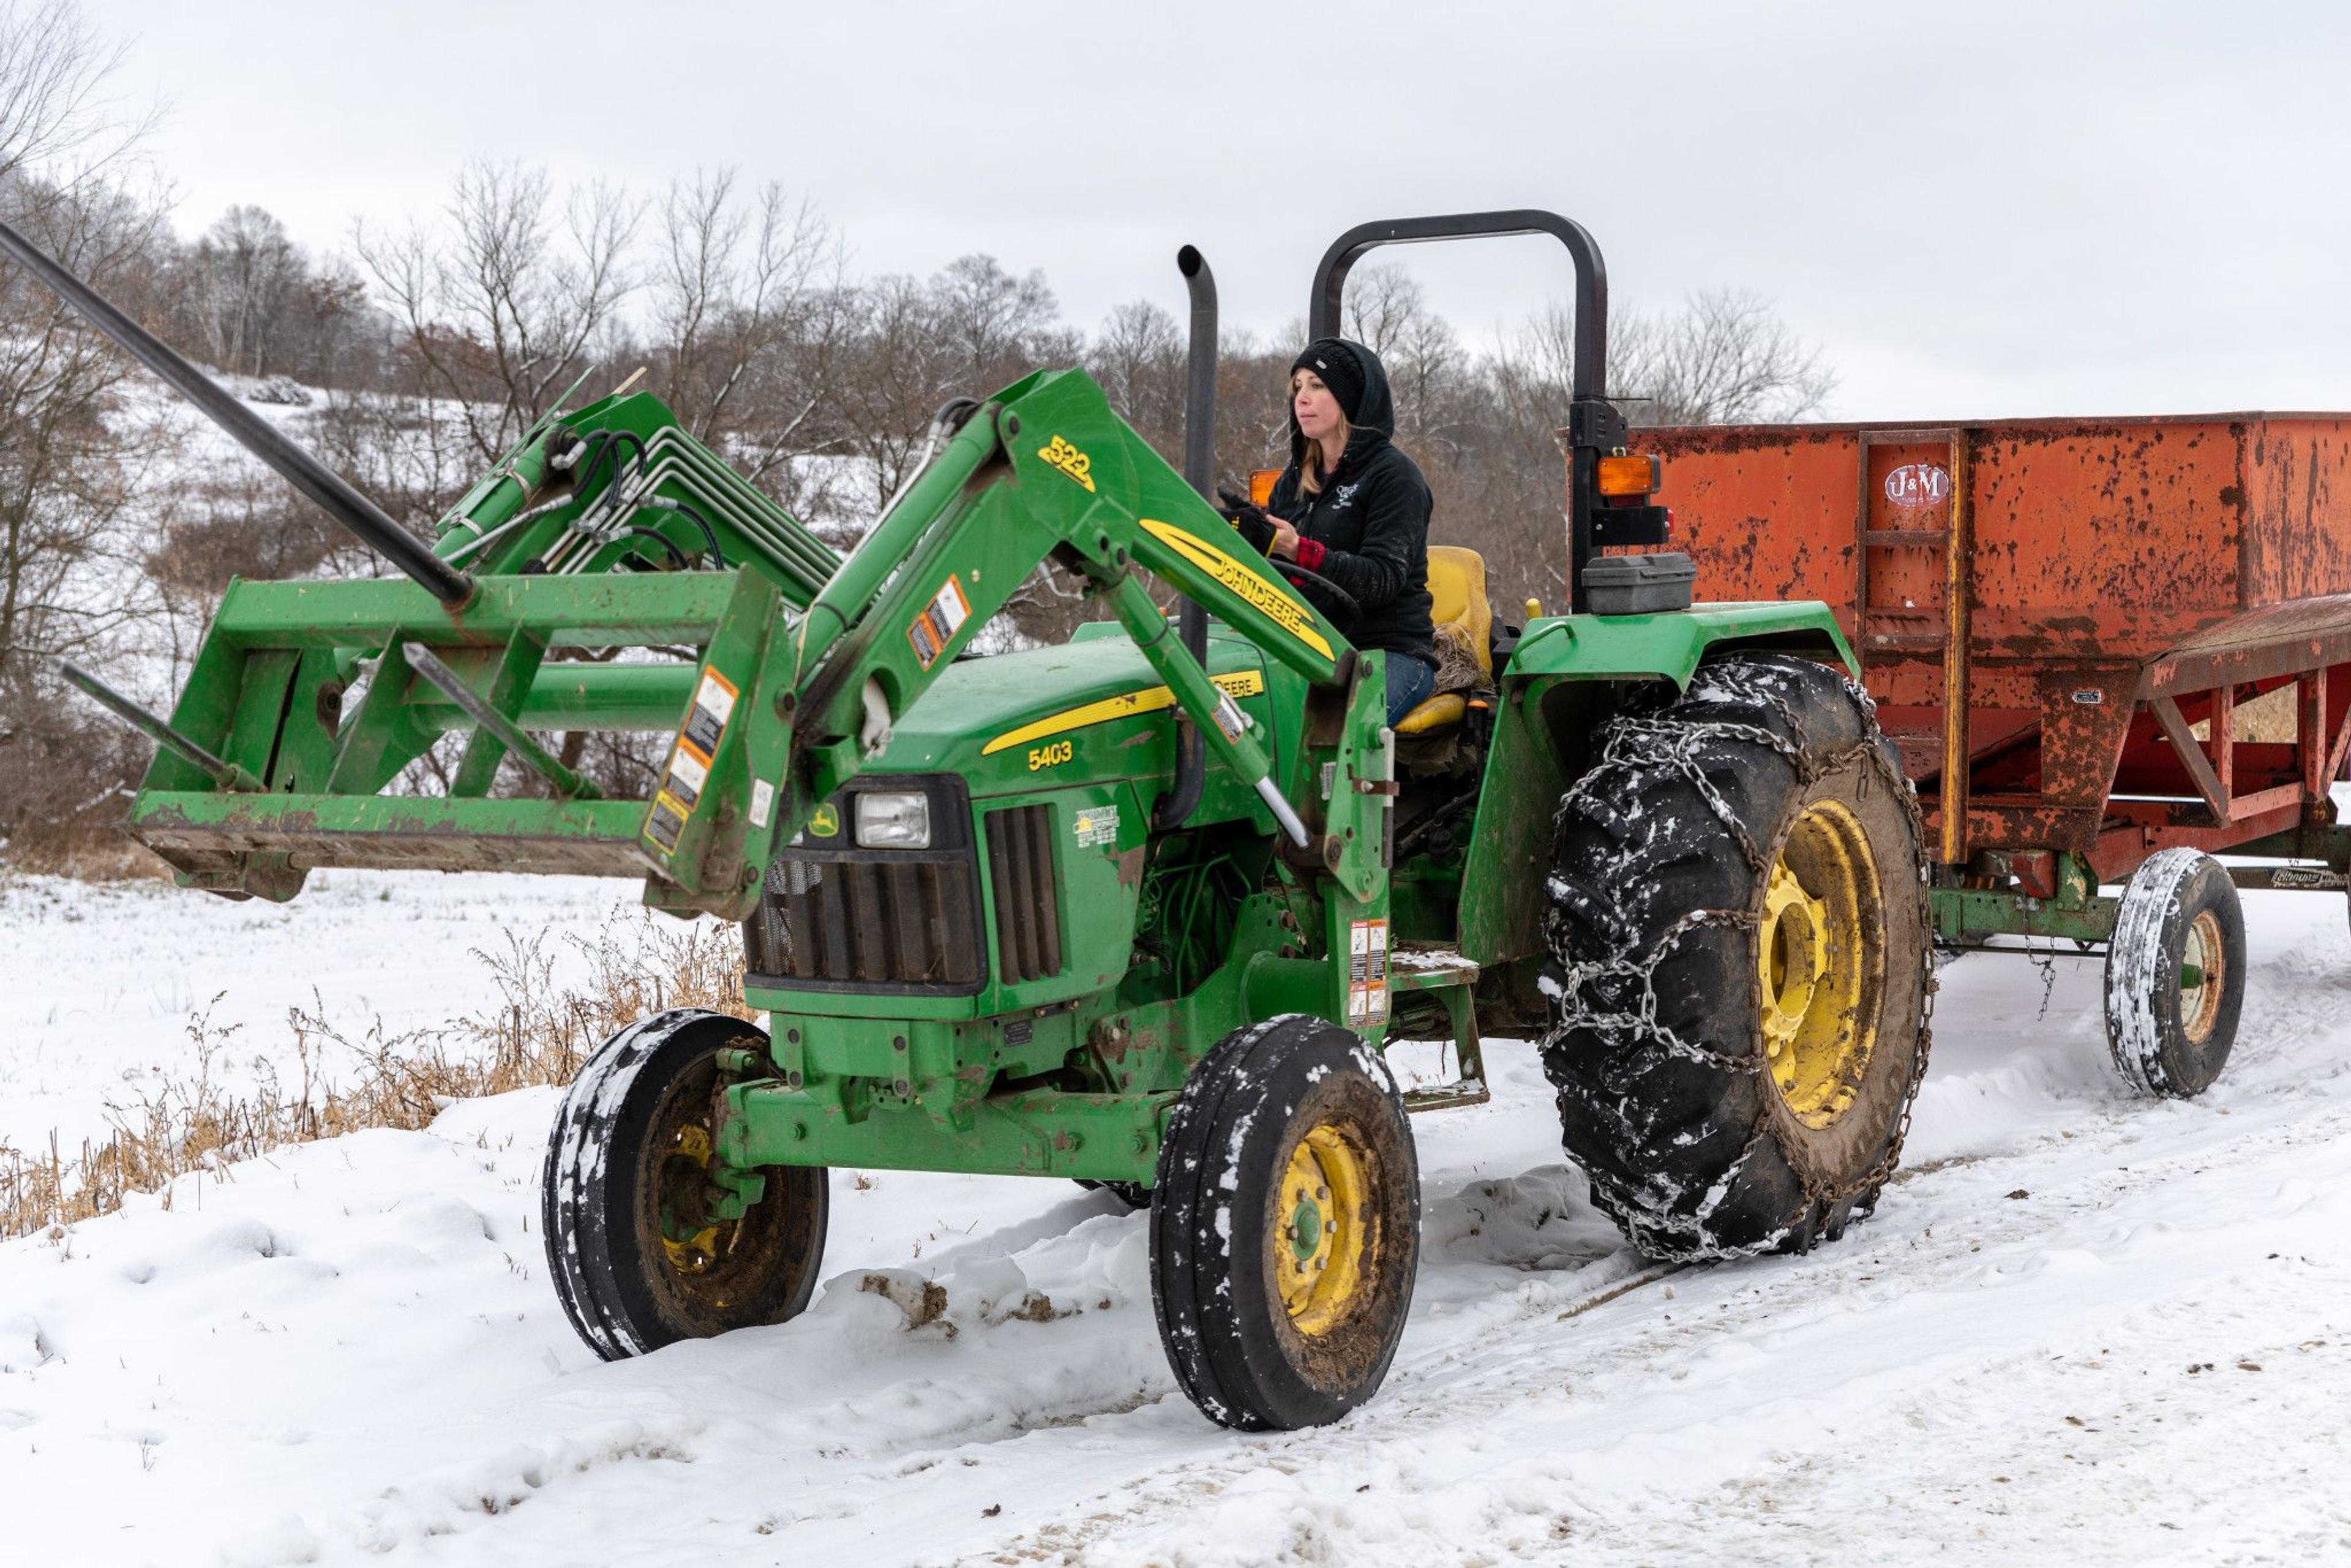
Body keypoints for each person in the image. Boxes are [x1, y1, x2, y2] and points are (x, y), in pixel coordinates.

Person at [1231, 337, 1437, 726]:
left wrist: (1297, 550)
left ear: (1351, 398)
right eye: (1298, 387)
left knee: (1329, 733)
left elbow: (1382, 580)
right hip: (1310, 648)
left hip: (1385, 654)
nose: (1301, 399)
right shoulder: (1291, 482)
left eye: (1317, 386)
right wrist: (1247, 544)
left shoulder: (1395, 477)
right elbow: (1274, 583)